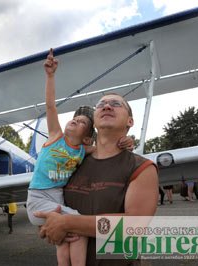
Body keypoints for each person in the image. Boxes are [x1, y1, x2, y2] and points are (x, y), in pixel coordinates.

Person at [27, 49, 134, 266]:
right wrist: (50, 76)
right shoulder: (56, 137)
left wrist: (126, 141)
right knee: (75, 223)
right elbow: (50, 106)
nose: (75, 121)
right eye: (74, 119)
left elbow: (107, 147)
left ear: (87, 139)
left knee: (68, 237)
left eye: (82, 122)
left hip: (56, 198)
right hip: (39, 198)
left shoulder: (83, 151)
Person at [35, 92, 158, 265]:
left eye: (116, 104)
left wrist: (68, 223)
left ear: (130, 121)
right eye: (101, 105)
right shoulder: (73, 162)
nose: (107, 106)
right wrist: (48, 225)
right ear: (95, 119)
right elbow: (51, 199)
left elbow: (136, 224)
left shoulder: (142, 168)